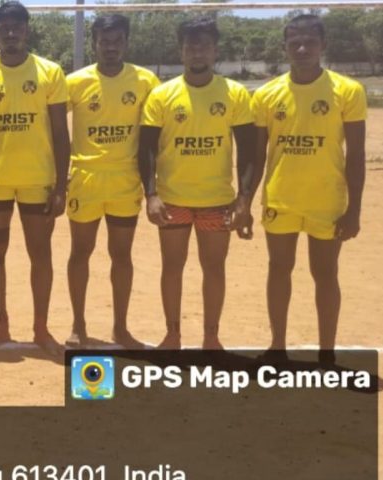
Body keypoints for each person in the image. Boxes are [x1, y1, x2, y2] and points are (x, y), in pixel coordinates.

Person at [250, 14, 366, 365]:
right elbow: (256, 157)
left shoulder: (348, 91)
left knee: (325, 274)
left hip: (326, 201)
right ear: (285, 47)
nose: (302, 49)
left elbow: (356, 155)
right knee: (278, 269)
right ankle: (277, 348)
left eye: (310, 42)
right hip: (281, 198)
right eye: (295, 43)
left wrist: (354, 210)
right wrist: (244, 202)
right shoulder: (266, 94)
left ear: (323, 45)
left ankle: (326, 354)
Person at [138, 16, 259, 350]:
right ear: (181, 51)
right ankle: (172, 335)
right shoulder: (162, 95)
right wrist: (151, 194)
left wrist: (244, 199)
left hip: (217, 199)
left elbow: (248, 152)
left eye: (204, 45)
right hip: (172, 198)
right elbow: (146, 150)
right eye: (191, 46)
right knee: (172, 267)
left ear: (215, 50)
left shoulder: (234, 94)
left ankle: (211, 337)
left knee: (214, 268)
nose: (197, 52)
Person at [0, 1, 70, 354]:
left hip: (38, 180)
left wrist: (61, 186)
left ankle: (41, 329)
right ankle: (1, 325)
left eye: (17, 27)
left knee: (40, 254)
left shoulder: (50, 73)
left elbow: (61, 134)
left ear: (27, 30)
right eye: (4, 28)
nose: (10, 33)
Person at [63, 14, 158, 349]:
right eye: (104, 41)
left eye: (117, 41)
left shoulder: (145, 81)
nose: (111, 47)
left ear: (126, 43)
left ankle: (121, 327)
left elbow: (154, 137)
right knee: (80, 252)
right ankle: (78, 325)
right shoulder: (75, 82)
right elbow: (53, 127)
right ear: (94, 44)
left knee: (121, 255)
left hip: (125, 181)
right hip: (85, 180)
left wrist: (153, 186)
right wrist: (60, 172)